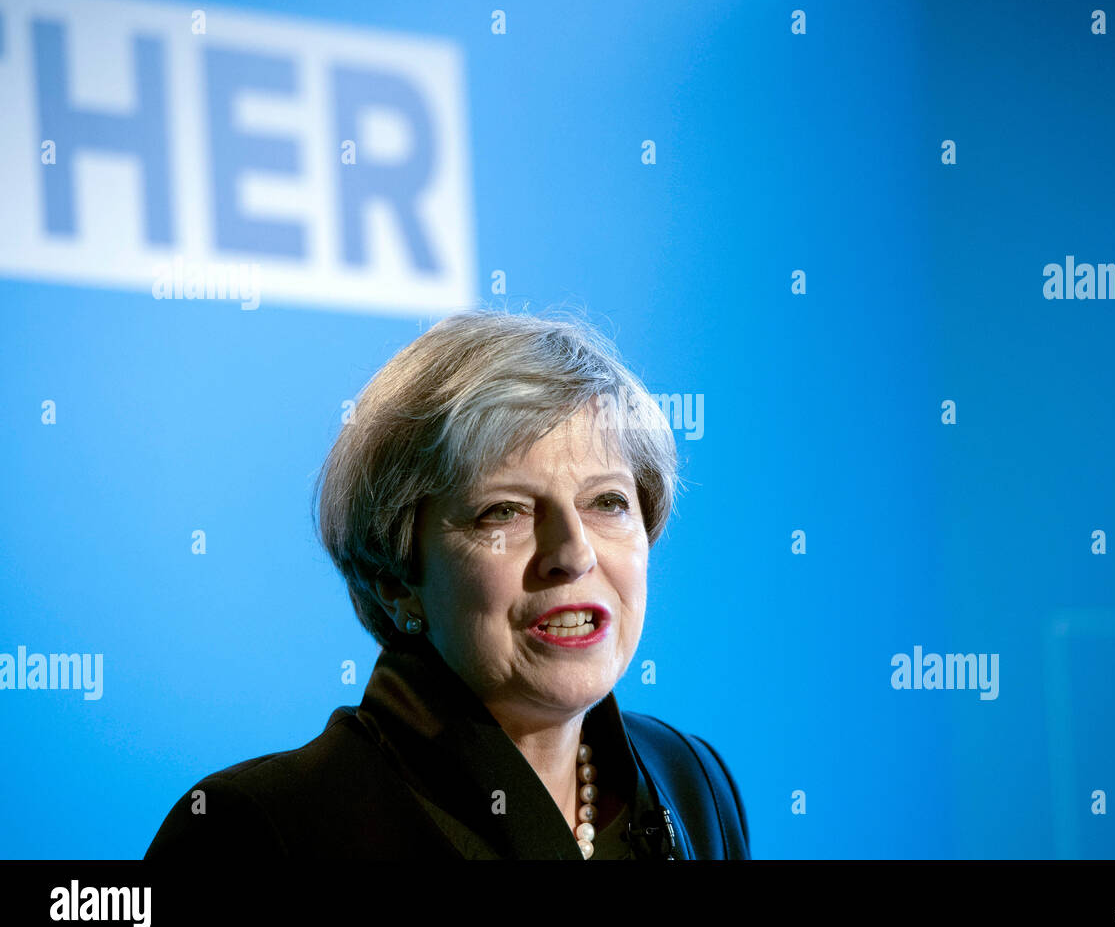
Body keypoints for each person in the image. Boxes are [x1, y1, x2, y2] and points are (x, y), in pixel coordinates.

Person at [145, 310, 750, 859]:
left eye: (607, 502)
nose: (572, 553)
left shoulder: (691, 780)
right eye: (504, 511)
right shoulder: (255, 832)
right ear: (396, 581)